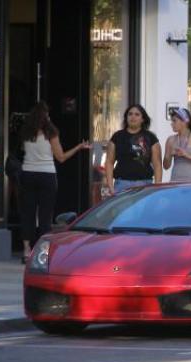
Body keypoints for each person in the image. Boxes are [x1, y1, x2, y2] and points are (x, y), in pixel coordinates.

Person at [19, 101, 90, 263]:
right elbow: (61, 157)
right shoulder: (51, 132)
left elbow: (23, 150)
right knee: (45, 214)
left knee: (28, 212)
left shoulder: (25, 132)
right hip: (47, 175)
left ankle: (26, 250)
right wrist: (79, 147)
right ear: (46, 116)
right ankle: (43, 251)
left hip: (28, 174)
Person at [105, 104, 162, 194]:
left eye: (137, 114)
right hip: (122, 184)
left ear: (143, 119)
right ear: (126, 117)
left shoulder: (151, 137)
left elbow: (157, 164)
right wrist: (110, 186)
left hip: (144, 184)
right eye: (130, 114)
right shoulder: (117, 137)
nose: (133, 117)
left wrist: (157, 187)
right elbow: (109, 162)